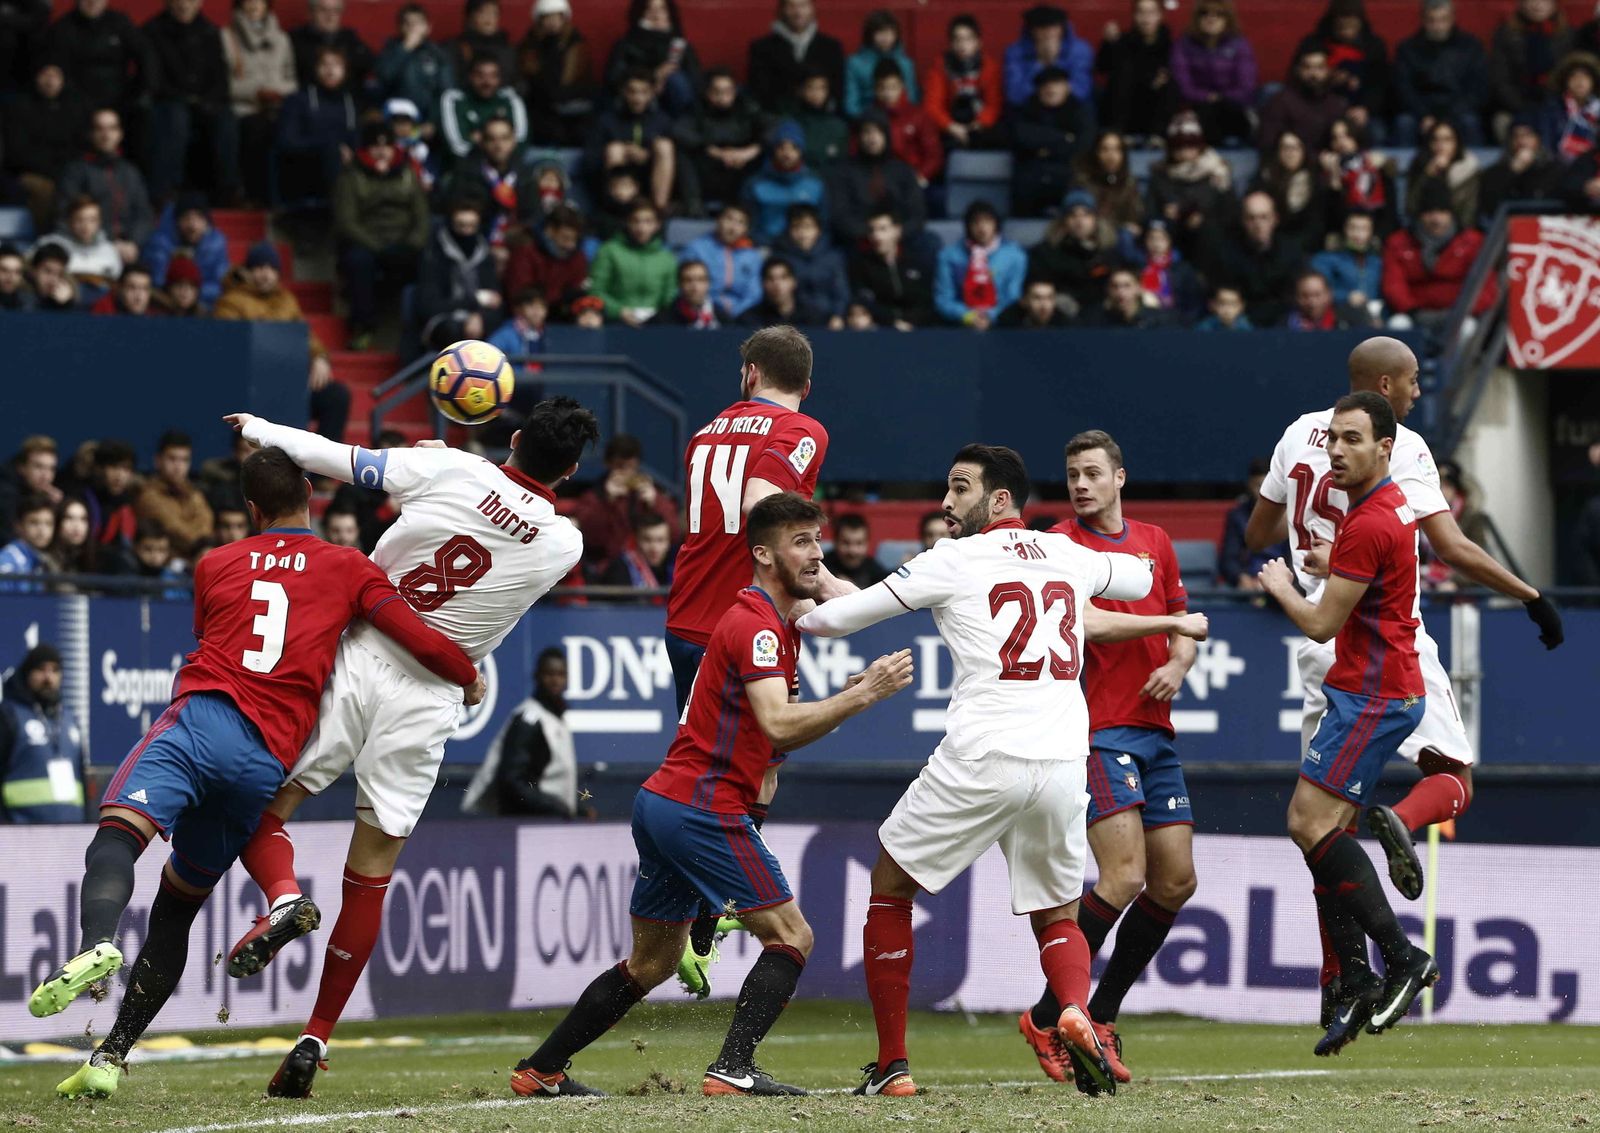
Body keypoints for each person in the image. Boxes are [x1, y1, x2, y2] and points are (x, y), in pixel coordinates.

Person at [37, 446, 480, 1100]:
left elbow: (214, 631)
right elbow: (414, 635)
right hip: (263, 758)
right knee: (177, 909)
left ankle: (96, 941)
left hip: (201, 721)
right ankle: (110, 1055)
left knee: (118, 836)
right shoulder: (348, 566)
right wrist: (466, 675)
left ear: (251, 508)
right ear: (310, 496)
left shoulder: (214, 562)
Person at [219, 398, 594, 1097]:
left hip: (357, 656)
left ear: (513, 437)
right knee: (371, 870)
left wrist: (261, 430)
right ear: (570, 470)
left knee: (265, 811)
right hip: (430, 696)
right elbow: (502, 564)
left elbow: (337, 460)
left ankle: (283, 898)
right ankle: (316, 1035)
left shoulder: (450, 469)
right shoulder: (565, 544)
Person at [511, 492, 910, 1099]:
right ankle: (733, 1068)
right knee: (793, 936)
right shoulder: (758, 628)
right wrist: (862, 695)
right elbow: (779, 726)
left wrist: (844, 696)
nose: (815, 555)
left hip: (666, 802)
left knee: (651, 964)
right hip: (701, 806)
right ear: (763, 554)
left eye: (817, 540)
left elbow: (771, 745)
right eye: (801, 542)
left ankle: (540, 1069)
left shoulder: (774, 623)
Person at [797, 444, 1158, 1098]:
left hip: (985, 752)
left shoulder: (952, 558)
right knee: (1057, 913)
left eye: (959, 487)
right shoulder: (1067, 552)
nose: (945, 501)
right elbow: (1138, 577)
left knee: (890, 886)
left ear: (999, 499)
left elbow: (836, 621)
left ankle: (892, 1065)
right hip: (1061, 758)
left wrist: (793, 606)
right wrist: (1129, 561)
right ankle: (1073, 1008)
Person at [1245, 339, 1562, 1033]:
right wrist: (1531, 595)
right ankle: (1405, 829)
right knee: (1449, 779)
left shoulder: (1298, 435)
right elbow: (1450, 546)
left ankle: (1343, 979)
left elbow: (1258, 528)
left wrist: (1301, 565)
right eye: (1413, 380)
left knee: (1322, 830)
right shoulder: (1403, 452)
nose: (1419, 391)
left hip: (1325, 650)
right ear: (1385, 387)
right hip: (1385, 650)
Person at [664, 327, 852, 993]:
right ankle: (694, 920)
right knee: (726, 777)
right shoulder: (802, 429)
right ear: (807, 383)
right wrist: (827, 586)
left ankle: (699, 916)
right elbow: (760, 505)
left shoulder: (707, 431)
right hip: (737, 625)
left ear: (749, 373)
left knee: (755, 770)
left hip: (692, 615)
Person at [1253, 390, 1440, 1054]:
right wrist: (1336, 565)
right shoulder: (1384, 508)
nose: (1336, 449)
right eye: (1332, 437)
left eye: (1352, 438)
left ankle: (1402, 958)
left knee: (1307, 823)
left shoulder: (1367, 520)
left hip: (1374, 693)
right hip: (1375, 688)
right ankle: (1357, 977)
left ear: (1385, 447)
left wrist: (1281, 587)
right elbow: (1374, 577)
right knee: (1323, 833)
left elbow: (1321, 623)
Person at [1020, 430, 1207, 1085]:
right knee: (1123, 876)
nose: (1080, 483)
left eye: (1093, 472)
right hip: (1100, 731)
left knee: (1176, 881)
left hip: (1157, 734)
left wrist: (1178, 665)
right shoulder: (1060, 543)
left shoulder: (1155, 541)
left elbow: (1185, 626)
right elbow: (1088, 623)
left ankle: (1099, 1014)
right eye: (1072, 473)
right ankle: (1048, 1016)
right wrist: (1172, 629)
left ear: (1119, 477)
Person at [215, 242, 350, 443]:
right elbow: (228, 344)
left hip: (287, 380)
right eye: (259, 267)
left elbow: (305, 336)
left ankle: (321, 461)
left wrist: (319, 357)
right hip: (250, 384)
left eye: (271, 268)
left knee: (336, 396)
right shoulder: (231, 301)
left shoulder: (287, 300)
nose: (265, 274)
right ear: (247, 271)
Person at [333, 121, 430, 349]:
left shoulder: (408, 172)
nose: (381, 151)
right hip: (366, 241)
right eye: (375, 146)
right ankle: (363, 327)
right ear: (366, 149)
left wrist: (413, 243)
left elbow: (422, 216)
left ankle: (424, 330)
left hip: (404, 241)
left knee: (427, 262)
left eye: (386, 146)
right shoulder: (351, 175)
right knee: (358, 262)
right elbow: (346, 221)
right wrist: (377, 248)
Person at [465, 648, 583, 816]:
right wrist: (555, 808)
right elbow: (512, 780)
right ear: (537, 676)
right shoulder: (528, 719)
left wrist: (576, 810)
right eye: (549, 674)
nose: (555, 680)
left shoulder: (556, 718)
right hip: (528, 822)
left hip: (552, 819)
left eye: (561, 674)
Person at [143, 0, 240, 204]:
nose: (184, 5)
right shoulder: (152, 31)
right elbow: (153, 79)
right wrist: (184, 98)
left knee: (226, 118)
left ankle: (227, 190)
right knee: (176, 118)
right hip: (169, 99)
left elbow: (220, 77)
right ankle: (167, 190)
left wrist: (208, 100)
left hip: (204, 100)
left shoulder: (210, 31)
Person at [1380, 180, 1495, 334]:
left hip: (1459, 314)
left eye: (1442, 211)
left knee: (1468, 328)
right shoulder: (1399, 242)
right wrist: (1412, 310)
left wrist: (1462, 310)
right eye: (1429, 212)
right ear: (1419, 215)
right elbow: (1393, 284)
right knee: (1397, 325)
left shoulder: (1472, 241)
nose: (1436, 219)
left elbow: (1486, 287)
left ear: (1451, 214)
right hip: (1414, 314)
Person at [55, 108, 155, 264]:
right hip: (90, 248)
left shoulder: (130, 171)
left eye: (112, 128)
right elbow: (67, 215)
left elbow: (144, 215)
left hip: (132, 249)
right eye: (99, 129)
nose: (106, 135)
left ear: (120, 134)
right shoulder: (75, 171)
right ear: (91, 134)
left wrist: (133, 243)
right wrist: (108, 244)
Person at [0, 643, 85, 823]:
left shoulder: (69, 719)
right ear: (27, 674)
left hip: (71, 832)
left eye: (54, 670)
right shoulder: (9, 716)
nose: (48, 677)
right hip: (19, 833)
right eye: (41, 670)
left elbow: (82, 780)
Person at [222, 0, 297, 203]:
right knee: (256, 129)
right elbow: (223, 84)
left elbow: (292, 81)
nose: (254, 5)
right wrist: (257, 92)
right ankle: (255, 197)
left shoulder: (282, 39)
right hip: (244, 108)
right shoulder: (227, 37)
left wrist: (276, 91)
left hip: (278, 107)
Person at [569, 433, 680, 570]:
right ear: (608, 464)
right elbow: (591, 538)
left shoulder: (651, 493)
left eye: (631, 466)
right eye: (620, 466)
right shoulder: (594, 496)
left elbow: (674, 535)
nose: (626, 472)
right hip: (607, 569)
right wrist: (608, 502)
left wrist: (655, 503)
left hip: (647, 569)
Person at [4, 61, 91, 233]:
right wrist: (53, 171)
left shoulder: (74, 107)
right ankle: (47, 236)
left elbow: (79, 146)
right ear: (36, 77)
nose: (50, 81)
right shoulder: (19, 108)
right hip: (30, 172)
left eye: (56, 75)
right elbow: (16, 152)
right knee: (46, 191)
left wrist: (65, 170)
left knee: (88, 185)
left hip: (66, 171)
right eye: (45, 75)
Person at [1198, 191, 1305, 328]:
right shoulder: (1226, 254)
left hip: (1282, 322)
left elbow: (1294, 296)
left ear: (1275, 219)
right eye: (1251, 218)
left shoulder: (1291, 252)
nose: (1258, 224)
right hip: (1239, 323)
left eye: (1264, 217)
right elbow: (1224, 296)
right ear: (1243, 221)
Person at [1392, 0, 1488, 146]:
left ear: (1452, 19)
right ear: (1423, 20)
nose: (1437, 26)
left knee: (1470, 122)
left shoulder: (1470, 47)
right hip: (1420, 111)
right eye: (1432, 20)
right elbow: (1403, 88)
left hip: (1459, 110)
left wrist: (1449, 117)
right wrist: (1424, 114)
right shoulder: (1408, 48)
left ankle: (1474, 161)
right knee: (1404, 123)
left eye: (1443, 20)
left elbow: (1478, 89)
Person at [41, 0, 151, 125]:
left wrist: (143, 90)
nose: (92, 2)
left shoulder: (120, 23)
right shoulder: (62, 28)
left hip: (120, 98)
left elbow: (145, 54)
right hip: (78, 101)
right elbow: (56, 69)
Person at [674, 68, 768, 213]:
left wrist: (749, 152)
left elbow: (773, 128)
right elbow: (679, 130)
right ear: (707, 92)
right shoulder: (697, 109)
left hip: (740, 168)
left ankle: (748, 208)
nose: (722, 97)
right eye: (716, 92)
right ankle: (693, 206)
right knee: (682, 152)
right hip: (708, 169)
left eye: (728, 91)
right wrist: (714, 151)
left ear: (735, 91)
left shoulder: (747, 107)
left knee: (770, 149)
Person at [275, 46, 359, 208]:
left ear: (345, 70)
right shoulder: (297, 100)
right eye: (324, 64)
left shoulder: (351, 102)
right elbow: (287, 143)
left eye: (336, 65)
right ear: (315, 68)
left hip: (346, 169)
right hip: (305, 169)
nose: (330, 71)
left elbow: (356, 139)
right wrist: (330, 147)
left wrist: (351, 154)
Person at [414, 196, 502, 349]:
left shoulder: (484, 254)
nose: (467, 231)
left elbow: (494, 299)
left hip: (478, 317)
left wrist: (479, 317)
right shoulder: (434, 255)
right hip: (443, 321)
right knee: (453, 330)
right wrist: (475, 300)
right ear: (451, 224)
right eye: (461, 226)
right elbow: (429, 307)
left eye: (472, 226)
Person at [1298, 0, 1391, 141]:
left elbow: (1380, 85)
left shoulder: (1374, 46)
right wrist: (1328, 80)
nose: (1347, 32)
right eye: (1342, 27)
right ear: (1333, 23)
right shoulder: (1314, 44)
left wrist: (1366, 108)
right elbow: (1297, 78)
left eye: (1351, 26)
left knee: (1377, 132)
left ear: (1360, 23)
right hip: (1320, 106)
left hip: (1362, 108)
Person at [1008, 64, 1094, 217]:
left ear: (1067, 87)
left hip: (1068, 174)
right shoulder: (1026, 110)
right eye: (1045, 85)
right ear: (1038, 90)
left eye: (1057, 84)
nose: (1051, 89)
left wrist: (1044, 148)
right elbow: (1021, 137)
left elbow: (1084, 145)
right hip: (1032, 176)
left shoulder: (1081, 111)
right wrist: (1064, 138)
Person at [825, 111, 922, 245]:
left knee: (929, 243)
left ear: (886, 136)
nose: (873, 138)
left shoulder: (902, 170)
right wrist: (873, 234)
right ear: (859, 137)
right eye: (867, 132)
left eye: (878, 132)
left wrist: (896, 233)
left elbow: (917, 214)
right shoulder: (843, 172)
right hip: (859, 240)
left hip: (899, 238)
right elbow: (840, 216)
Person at [1170, 0, 1259, 144]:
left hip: (1232, 107)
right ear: (1197, 18)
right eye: (1204, 13)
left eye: (1219, 14)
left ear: (1227, 19)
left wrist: (1220, 98)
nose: (1211, 19)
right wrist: (1207, 97)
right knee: (1204, 114)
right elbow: (1183, 86)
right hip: (1198, 107)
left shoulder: (1240, 45)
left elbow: (1246, 87)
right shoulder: (1184, 45)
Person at [585, 68, 673, 211]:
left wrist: (647, 157)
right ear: (623, 92)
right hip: (612, 182)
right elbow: (590, 161)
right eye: (632, 91)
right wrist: (624, 153)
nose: (637, 98)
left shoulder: (663, 121)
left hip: (650, 181)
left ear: (652, 93)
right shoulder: (606, 120)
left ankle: (659, 209)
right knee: (615, 149)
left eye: (644, 92)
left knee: (664, 146)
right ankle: (618, 209)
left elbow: (676, 162)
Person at [1491, 0, 1576, 141]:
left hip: (1557, 104)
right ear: (1521, 4)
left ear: (1554, 4)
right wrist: (1521, 107)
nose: (1537, 5)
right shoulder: (1506, 35)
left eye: (1544, 1)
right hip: (1517, 105)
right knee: (1502, 122)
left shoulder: (1568, 36)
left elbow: (1571, 76)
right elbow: (1500, 79)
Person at [934, 199, 1027, 330]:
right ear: (968, 226)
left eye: (988, 221)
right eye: (976, 222)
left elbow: (1012, 297)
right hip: (959, 325)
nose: (982, 228)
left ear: (996, 224)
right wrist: (968, 316)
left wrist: (990, 315)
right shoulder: (948, 256)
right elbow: (943, 300)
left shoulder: (1015, 256)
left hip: (1002, 324)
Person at [1146, 110, 1236, 244]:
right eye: (1178, 146)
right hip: (1170, 239)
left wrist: (1204, 218)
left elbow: (1230, 214)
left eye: (1190, 145)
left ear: (1200, 146)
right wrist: (1165, 217)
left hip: (1210, 239)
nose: (1184, 151)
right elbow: (1149, 213)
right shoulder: (1160, 176)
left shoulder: (1218, 172)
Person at [602, 0, 701, 118]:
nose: (656, 15)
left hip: (673, 107)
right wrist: (655, 76)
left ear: (669, 14)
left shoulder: (680, 45)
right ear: (640, 13)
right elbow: (613, 79)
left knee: (676, 80)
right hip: (636, 103)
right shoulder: (626, 44)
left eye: (662, 9)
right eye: (650, 9)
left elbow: (697, 82)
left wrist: (666, 75)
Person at [1096, 0, 1178, 140]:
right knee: (1123, 75)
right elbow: (1102, 68)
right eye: (1141, 13)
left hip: (1154, 106)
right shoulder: (1123, 41)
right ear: (1134, 16)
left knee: (1170, 84)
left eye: (1151, 13)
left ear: (1160, 15)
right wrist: (1108, 44)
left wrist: (1158, 80)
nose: (1146, 19)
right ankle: (1120, 134)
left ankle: (1157, 137)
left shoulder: (1170, 46)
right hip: (1127, 105)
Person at [746, 0, 846, 115]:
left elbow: (837, 91)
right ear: (782, 10)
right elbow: (759, 91)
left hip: (822, 117)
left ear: (812, 9)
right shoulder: (761, 48)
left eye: (803, 5)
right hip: (778, 118)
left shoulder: (831, 47)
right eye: (791, 6)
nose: (798, 12)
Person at [1029, 190, 1120, 316]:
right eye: (1073, 215)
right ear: (1064, 220)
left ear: (1095, 219)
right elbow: (1037, 287)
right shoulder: (1045, 252)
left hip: (1103, 315)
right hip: (1059, 315)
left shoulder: (1109, 251)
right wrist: (1057, 299)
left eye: (1086, 215)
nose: (1079, 221)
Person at [517, 0, 594, 146]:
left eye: (557, 17)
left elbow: (578, 82)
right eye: (547, 17)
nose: (552, 22)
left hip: (572, 107)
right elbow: (530, 79)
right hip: (539, 108)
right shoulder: (530, 46)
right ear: (539, 20)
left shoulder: (577, 45)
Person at [589, 199, 676, 326]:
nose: (641, 228)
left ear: (657, 225)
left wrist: (658, 317)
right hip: (615, 322)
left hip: (656, 325)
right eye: (635, 221)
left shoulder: (667, 258)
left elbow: (670, 298)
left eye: (648, 221)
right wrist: (618, 311)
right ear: (627, 223)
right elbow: (596, 290)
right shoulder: (608, 251)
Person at [376, 5, 455, 142]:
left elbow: (446, 92)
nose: (412, 28)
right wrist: (405, 49)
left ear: (428, 27)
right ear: (399, 27)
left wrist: (432, 121)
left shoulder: (438, 54)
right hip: (396, 121)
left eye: (417, 23)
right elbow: (384, 76)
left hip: (430, 123)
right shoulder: (391, 49)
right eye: (407, 23)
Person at [743, 119, 827, 245]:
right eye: (781, 147)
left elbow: (824, 224)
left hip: (805, 247)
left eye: (794, 148)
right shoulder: (755, 184)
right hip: (766, 247)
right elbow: (749, 225)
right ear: (774, 150)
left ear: (801, 151)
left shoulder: (815, 183)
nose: (787, 154)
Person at [925, 14, 1003, 150]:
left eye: (968, 39)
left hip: (980, 124)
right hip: (950, 124)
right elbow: (932, 106)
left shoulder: (990, 67)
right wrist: (951, 126)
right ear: (951, 43)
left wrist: (978, 124)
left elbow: (994, 104)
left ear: (978, 42)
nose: (962, 45)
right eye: (957, 39)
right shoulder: (940, 67)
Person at [850, 207, 936, 329]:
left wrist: (910, 323)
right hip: (882, 329)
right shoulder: (862, 265)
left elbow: (927, 301)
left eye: (883, 229)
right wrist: (893, 323)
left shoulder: (918, 262)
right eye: (872, 230)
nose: (876, 236)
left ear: (897, 230)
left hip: (919, 328)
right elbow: (866, 301)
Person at [141, 193, 229, 308]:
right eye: (187, 218)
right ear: (176, 221)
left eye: (199, 218)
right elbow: (157, 281)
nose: (193, 225)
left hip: (206, 306)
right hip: (165, 305)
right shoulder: (160, 243)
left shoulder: (216, 244)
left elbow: (221, 283)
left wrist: (193, 294)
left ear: (206, 222)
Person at [502, 204, 588, 321]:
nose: (571, 245)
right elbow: (519, 294)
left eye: (575, 239)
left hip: (563, 317)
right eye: (565, 238)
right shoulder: (525, 252)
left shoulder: (577, 257)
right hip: (528, 317)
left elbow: (578, 288)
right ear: (550, 231)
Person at [134, 430, 212, 558]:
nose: (178, 466)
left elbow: (207, 527)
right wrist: (202, 543)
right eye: (172, 459)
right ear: (158, 461)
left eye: (184, 460)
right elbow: (178, 533)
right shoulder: (148, 496)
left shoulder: (194, 493)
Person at [682, 203, 763, 322]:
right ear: (718, 220)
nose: (733, 227)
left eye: (740, 222)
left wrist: (736, 312)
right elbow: (686, 286)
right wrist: (717, 310)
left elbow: (754, 294)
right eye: (729, 219)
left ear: (746, 229)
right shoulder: (696, 249)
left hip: (742, 315)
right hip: (703, 311)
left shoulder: (752, 256)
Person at [1261, 45, 1348, 155]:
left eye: (1320, 67)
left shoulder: (1337, 104)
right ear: (1298, 70)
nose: (1313, 74)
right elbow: (1268, 144)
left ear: (1329, 70)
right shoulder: (1281, 102)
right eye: (1307, 67)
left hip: (1331, 163)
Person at [771, 203, 848, 327]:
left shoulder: (833, 257)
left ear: (818, 229)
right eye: (796, 227)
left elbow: (841, 291)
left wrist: (838, 315)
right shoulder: (780, 257)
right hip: (793, 322)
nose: (802, 233)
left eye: (808, 227)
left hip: (828, 321)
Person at [1002, 4, 1094, 108]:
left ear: (1062, 29)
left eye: (1054, 28)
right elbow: (1014, 95)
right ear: (1032, 31)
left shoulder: (1079, 50)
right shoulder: (1015, 52)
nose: (1049, 34)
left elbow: (1082, 91)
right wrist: (1040, 63)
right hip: (1030, 107)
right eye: (1042, 30)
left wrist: (1055, 62)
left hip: (1071, 106)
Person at [442, 55, 529, 161]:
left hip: (509, 165)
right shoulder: (455, 99)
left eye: (493, 76)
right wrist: (499, 141)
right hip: (467, 166)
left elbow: (521, 142)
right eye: (480, 75)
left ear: (500, 78)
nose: (487, 82)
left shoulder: (510, 98)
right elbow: (457, 148)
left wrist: (480, 139)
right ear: (470, 76)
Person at [37, 195, 122, 303]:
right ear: (69, 221)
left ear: (99, 222)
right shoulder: (50, 244)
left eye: (92, 220)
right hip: (59, 306)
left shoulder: (110, 251)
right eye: (80, 219)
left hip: (101, 308)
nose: (86, 226)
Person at [1217, 457, 1286, 588]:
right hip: (1249, 584)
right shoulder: (1237, 516)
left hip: (1284, 581)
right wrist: (1240, 577)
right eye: (1258, 486)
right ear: (1249, 485)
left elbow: (1296, 559)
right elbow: (1229, 558)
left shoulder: (1291, 514)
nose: (1263, 492)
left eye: (1268, 486)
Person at [1321, 116, 1397, 235]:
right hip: (1343, 234)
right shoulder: (1327, 172)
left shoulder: (1375, 163)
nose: (1341, 142)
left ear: (1356, 137)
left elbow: (1390, 211)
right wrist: (1334, 178)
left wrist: (1379, 236)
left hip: (1377, 231)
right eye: (1335, 138)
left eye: (1347, 136)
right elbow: (1330, 219)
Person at [872, 60, 941, 188]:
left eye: (893, 87)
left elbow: (933, 155)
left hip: (913, 179)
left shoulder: (919, 116)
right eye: (882, 88)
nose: (887, 94)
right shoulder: (869, 118)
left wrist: (920, 176)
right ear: (875, 89)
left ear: (902, 86)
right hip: (878, 182)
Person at [1404, 118, 1480, 230]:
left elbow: (1468, 216)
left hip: (1459, 231)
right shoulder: (1419, 165)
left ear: (1457, 143)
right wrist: (1427, 175)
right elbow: (1410, 208)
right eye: (1435, 140)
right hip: (1422, 231)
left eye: (1447, 140)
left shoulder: (1469, 169)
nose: (1440, 145)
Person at [1479, 121, 1562, 221]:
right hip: (1507, 226)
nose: (1522, 141)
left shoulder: (1555, 169)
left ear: (1538, 139)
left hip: (1546, 224)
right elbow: (1489, 206)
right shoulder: (1495, 172)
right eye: (1516, 136)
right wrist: (1512, 171)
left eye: (1528, 135)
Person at [845, 9, 918, 118]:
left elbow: (911, 99)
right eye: (880, 33)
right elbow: (851, 105)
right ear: (870, 35)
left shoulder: (906, 64)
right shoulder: (854, 64)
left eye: (890, 33)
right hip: (866, 120)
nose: (885, 38)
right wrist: (871, 122)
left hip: (900, 120)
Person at [1312, 209, 1384, 318]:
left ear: (1371, 232)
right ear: (1344, 229)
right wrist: (1346, 297)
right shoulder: (1325, 259)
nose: (1358, 234)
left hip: (1374, 318)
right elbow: (1315, 292)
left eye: (1364, 229)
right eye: (1353, 228)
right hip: (1337, 316)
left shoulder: (1377, 262)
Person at [289, 0, 373, 93]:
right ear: (311, 12)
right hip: (307, 96)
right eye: (323, 10)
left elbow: (369, 65)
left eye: (335, 10)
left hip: (347, 97)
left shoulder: (350, 38)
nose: (330, 16)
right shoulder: (296, 39)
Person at [1075, 130, 1146, 235]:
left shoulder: (1129, 182)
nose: (1111, 156)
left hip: (1121, 236)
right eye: (1105, 149)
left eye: (1117, 149)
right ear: (1096, 152)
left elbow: (1136, 217)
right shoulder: (1083, 182)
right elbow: (1080, 218)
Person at [1537, 51, 1600, 164]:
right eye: (1574, 76)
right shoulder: (1553, 109)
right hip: (1558, 166)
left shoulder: (1597, 111)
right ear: (1565, 81)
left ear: (1593, 82)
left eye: (1585, 77)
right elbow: (1547, 147)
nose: (1580, 81)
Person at [1133, 219, 1204, 319]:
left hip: (1178, 322)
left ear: (1169, 241)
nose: (1156, 244)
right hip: (1146, 321)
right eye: (1151, 238)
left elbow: (1194, 303)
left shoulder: (1183, 269)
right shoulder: (1137, 269)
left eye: (1161, 238)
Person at [599, 510, 676, 595]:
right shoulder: (620, 568)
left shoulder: (675, 568)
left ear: (669, 542)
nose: (654, 548)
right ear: (636, 540)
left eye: (660, 540)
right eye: (647, 540)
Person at [739, 256, 826, 327]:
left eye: (783, 277)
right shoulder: (750, 320)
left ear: (793, 282)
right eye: (770, 278)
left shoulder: (813, 317)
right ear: (763, 284)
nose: (777, 284)